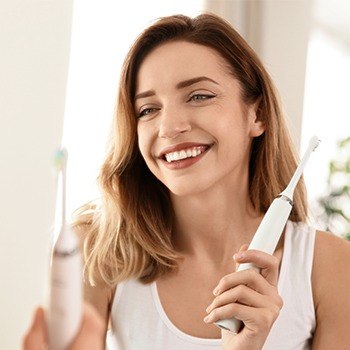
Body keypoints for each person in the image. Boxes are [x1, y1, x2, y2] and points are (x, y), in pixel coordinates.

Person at [23, 12, 350, 350]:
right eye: (148, 109)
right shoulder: (97, 250)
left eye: (199, 96)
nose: (169, 127)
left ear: (258, 114)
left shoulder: (330, 267)